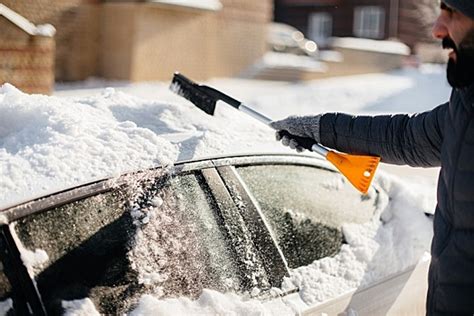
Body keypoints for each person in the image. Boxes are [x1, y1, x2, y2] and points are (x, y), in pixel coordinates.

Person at [270, 1, 474, 315]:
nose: (437, 29)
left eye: (455, 14)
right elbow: (407, 137)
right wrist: (320, 128)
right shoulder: (465, 103)